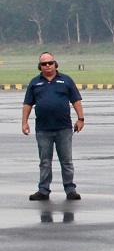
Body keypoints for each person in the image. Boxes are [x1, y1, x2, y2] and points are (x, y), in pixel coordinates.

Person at [21, 51, 84, 201]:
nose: (47, 66)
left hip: (63, 128)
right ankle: (43, 190)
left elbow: (76, 101)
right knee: (44, 161)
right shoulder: (35, 83)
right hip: (43, 129)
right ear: (39, 66)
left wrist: (80, 118)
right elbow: (27, 104)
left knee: (66, 161)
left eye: (50, 63)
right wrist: (24, 122)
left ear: (55, 64)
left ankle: (70, 189)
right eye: (44, 64)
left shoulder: (66, 80)